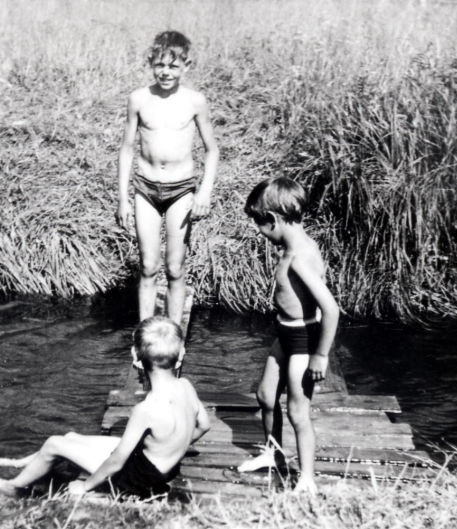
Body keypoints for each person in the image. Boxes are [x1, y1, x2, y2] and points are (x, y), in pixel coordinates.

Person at [0, 316, 211, 498]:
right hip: (159, 465)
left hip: (139, 479)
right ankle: (18, 464)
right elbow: (204, 425)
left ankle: (13, 487)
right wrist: (172, 446)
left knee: (55, 443)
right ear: (181, 354)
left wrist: (85, 486)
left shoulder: (146, 409)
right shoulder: (185, 385)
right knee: (70, 436)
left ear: (134, 356)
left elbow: (117, 461)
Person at [237, 176, 340, 494]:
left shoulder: (299, 258)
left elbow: (331, 309)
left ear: (275, 220)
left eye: (259, 224)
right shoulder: (293, 245)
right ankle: (273, 454)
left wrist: (320, 355)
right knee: (266, 396)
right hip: (285, 333)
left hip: (303, 342)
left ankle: (307, 477)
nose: (258, 230)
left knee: (298, 411)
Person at [116, 30, 220, 326]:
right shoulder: (138, 99)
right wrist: (123, 198)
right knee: (148, 266)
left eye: (173, 66)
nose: (166, 72)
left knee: (175, 267)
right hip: (145, 189)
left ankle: (174, 334)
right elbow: (126, 149)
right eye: (160, 65)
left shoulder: (195, 101)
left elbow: (212, 150)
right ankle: (146, 334)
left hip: (181, 190)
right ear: (151, 63)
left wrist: (204, 193)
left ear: (186, 65)